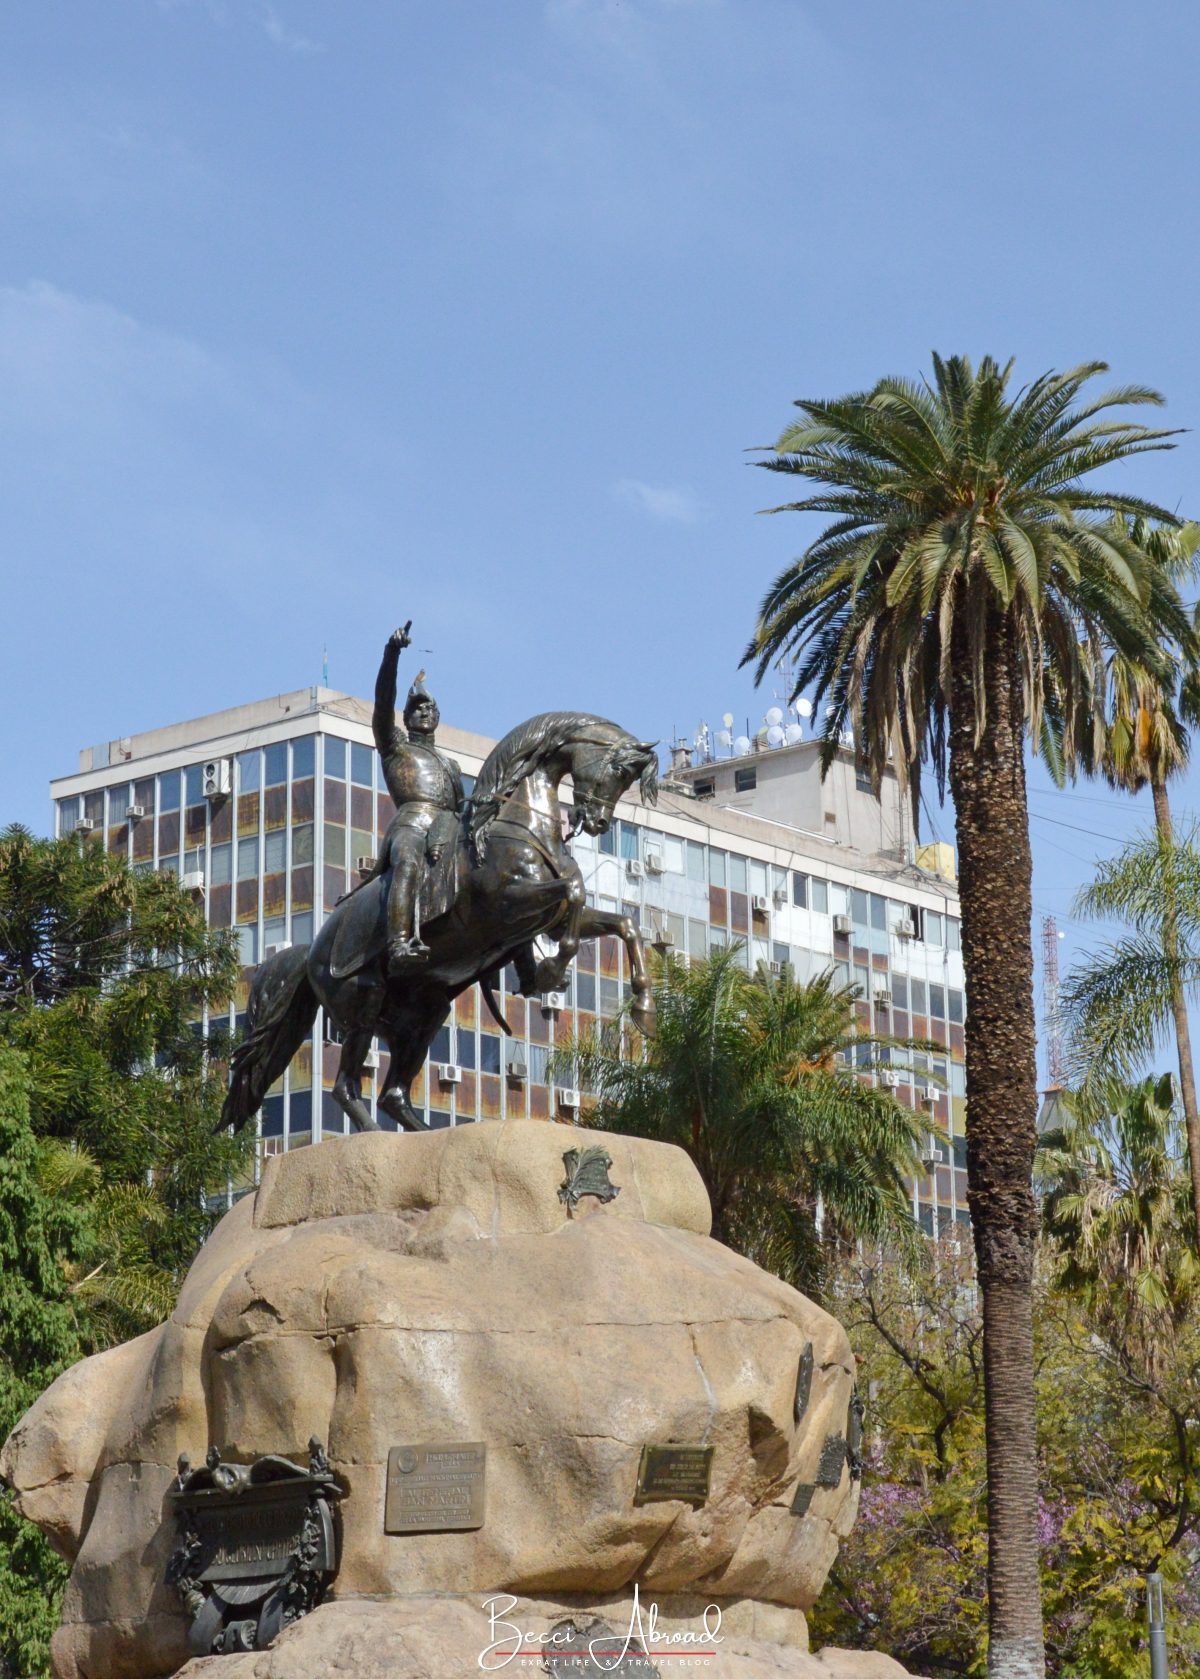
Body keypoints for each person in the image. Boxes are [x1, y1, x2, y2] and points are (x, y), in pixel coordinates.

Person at [372, 623, 465, 973]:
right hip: (411, 825)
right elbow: (383, 702)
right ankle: (397, 942)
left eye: (431, 709)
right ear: (407, 717)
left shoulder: (451, 765)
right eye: (418, 708)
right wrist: (391, 654)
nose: (425, 712)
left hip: (448, 827)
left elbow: (460, 808)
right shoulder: (395, 747)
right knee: (408, 862)